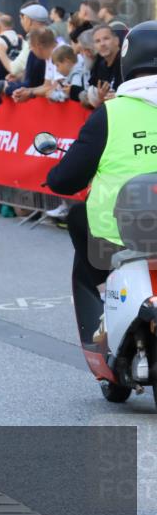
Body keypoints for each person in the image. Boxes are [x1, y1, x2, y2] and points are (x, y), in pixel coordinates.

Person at [45, 20, 157, 349]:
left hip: (117, 238)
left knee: (79, 217)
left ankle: (104, 316)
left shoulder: (110, 114)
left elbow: (66, 179)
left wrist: (55, 177)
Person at [82, 25, 123, 108]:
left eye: (106, 38)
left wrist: (118, 97)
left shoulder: (126, 62)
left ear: (116, 41)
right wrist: (101, 98)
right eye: (97, 41)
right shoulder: (100, 66)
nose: (102, 44)